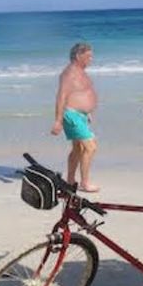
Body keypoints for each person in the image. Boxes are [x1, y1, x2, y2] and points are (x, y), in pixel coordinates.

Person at [51, 42, 100, 193]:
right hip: (72, 115)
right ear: (78, 56)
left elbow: (79, 92)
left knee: (78, 148)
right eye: (88, 56)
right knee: (90, 147)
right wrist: (58, 120)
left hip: (80, 116)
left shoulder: (79, 71)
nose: (91, 59)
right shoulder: (70, 73)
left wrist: (87, 112)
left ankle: (70, 181)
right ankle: (85, 184)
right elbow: (62, 96)